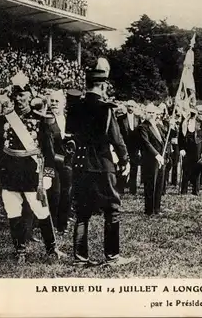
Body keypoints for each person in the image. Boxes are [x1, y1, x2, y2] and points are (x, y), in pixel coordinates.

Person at [66, 58, 135, 267]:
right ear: (103, 85)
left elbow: (70, 135)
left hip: (80, 164)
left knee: (82, 213)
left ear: (86, 85)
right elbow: (116, 139)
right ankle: (112, 256)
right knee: (112, 209)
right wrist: (125, 159)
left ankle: (80, 258)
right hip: (102, 165)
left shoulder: (75, 107)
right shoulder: (106, 108)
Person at [0, 83, 64, 264]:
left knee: (41, 210)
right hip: (8, 172)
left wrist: (48, 173)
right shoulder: (5, 118)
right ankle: (19, 250)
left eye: (24, 97)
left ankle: (51, 248)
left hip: (32, 172)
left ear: (31, 98)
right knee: (13, 211)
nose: (20, 100)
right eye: (17, 96)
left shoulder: (41, 119)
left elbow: (48, 149)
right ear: (12, 98)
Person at [137, 104, 175, 215]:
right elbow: (146, 143)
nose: (151, 115)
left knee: (159, 183)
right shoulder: (142, 127)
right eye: (149, 112)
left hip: (161, 158)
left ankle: (157, 208)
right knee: (150, 184)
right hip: (150, 159)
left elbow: (167, 137)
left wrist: (172, 126)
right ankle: (149, 210)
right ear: (145, 113)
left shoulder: (158, 126)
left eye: (153, 113)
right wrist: (156, 155)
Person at [46, 90, 72, 234]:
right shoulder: (47, 120)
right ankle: (53, 224)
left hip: (68, 161)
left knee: (67, 192)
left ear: (63, 103)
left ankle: (63, 223)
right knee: (55, 192)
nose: (54, 104)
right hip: (52, 160)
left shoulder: (69, 119)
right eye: (52, 101)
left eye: (57, 101)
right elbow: (47, 145)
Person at [179, 105, 202, 195]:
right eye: (190, 112)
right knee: (186, 168)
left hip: (198, 149)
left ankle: (195, 190)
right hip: (187, 148)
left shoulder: (201, 123)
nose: (192, 114)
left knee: (197, 168)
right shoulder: (184, 122)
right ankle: (183, 190)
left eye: (193, 112)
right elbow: (180, 137)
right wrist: (181, 148)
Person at [117, 100, 141, 195]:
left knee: (134, 167)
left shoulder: (137, 119)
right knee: (123, 166)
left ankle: (133, 189)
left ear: (135, 108)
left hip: (134, 147)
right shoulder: (120, 119)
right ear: (126, 107)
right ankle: (121, 188)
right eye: (129, 106)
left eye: (132, 106)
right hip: (124, 146)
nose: (130, 108)